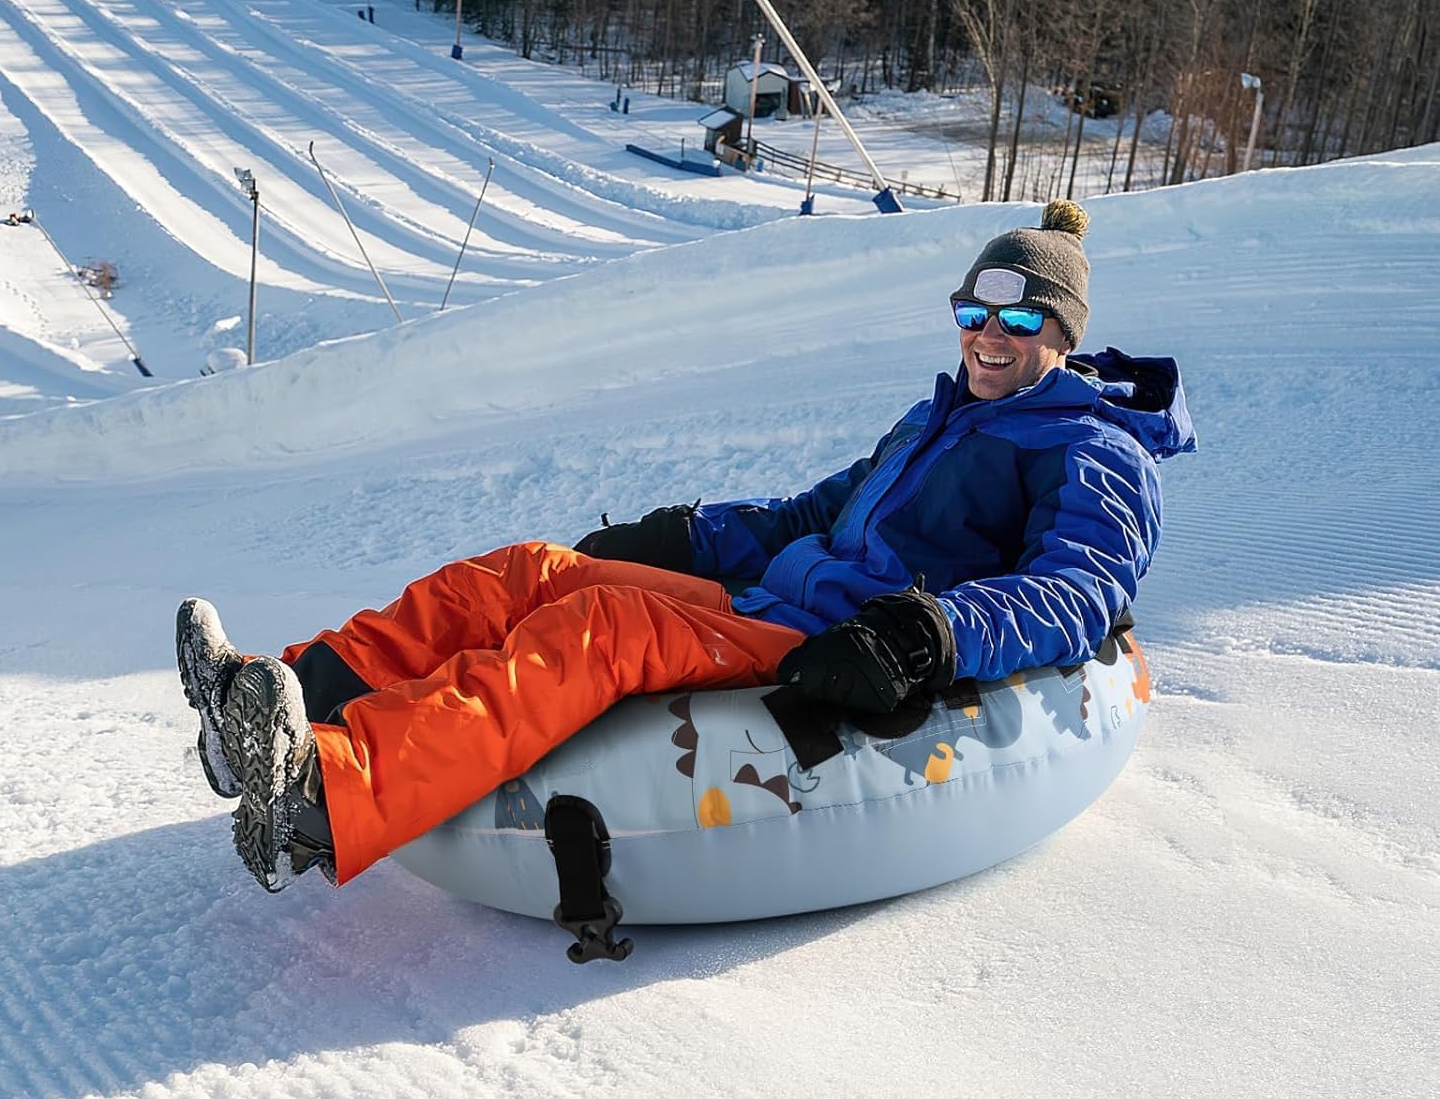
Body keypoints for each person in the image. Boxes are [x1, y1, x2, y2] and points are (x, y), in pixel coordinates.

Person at [178, 199, 1195, 893]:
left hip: (841, 644)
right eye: (973, 310)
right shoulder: (942, 417)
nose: (986, 333)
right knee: (531, 571)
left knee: (599, 628)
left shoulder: (1093, 448)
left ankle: (322, 799)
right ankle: (284, 701)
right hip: (777, 599)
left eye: (1017, 315)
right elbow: (814, 513)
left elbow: (1081, 591)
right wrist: (691, 534)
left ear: (1059, 330)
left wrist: (926, 633)